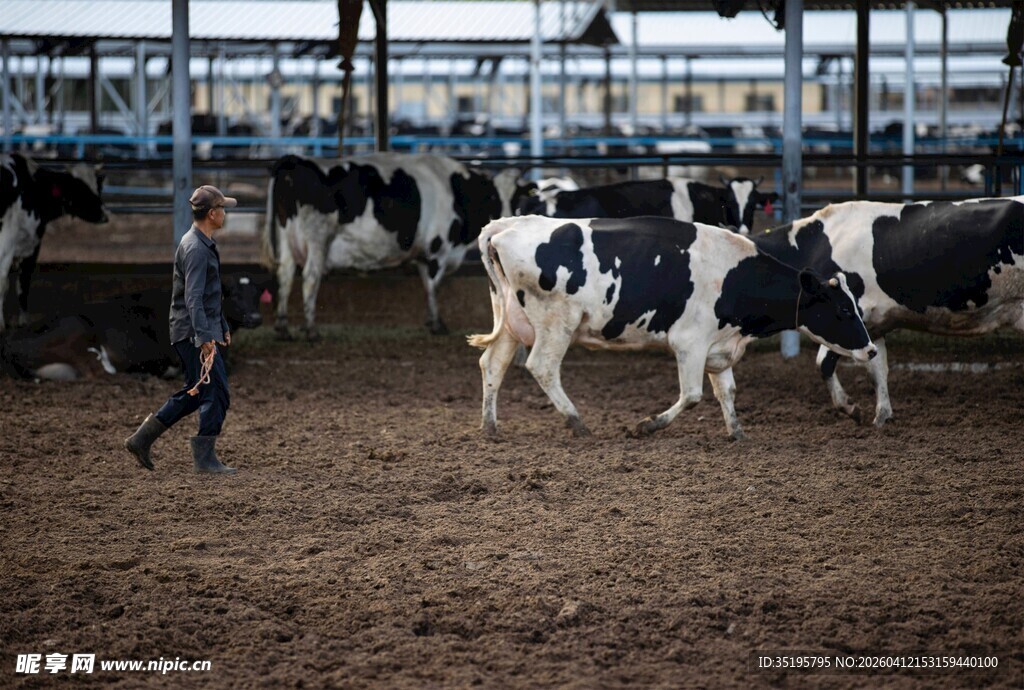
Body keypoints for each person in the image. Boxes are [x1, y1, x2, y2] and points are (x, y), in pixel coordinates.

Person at [124, 185, 238, 474]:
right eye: (222, 208)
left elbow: (210, 297)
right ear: (212, 214)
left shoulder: (201, 243)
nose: (225, 213)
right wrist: (203, 337)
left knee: (197, 392)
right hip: (192, 332)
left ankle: (142, 438)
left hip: (194, 329)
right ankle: (204, 459)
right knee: (216, 393)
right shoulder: (197, 249)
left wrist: (221, 326)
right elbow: (193, 298)